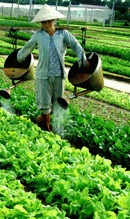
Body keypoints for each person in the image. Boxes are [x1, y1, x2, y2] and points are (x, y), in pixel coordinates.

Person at [17, 4, 89, 132]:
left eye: (49, 21)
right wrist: (19, 58)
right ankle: (47, 129)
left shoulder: (63, 34)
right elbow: (28, 47)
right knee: (45, 103)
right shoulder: (38, 35)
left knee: (57, 104)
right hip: (43, 74)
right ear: (40, 23)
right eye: (43, 22)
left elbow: (76, 45)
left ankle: (43, 121)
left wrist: (82, 59)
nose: (47, 24)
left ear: (54, 21)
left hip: (58, 74)